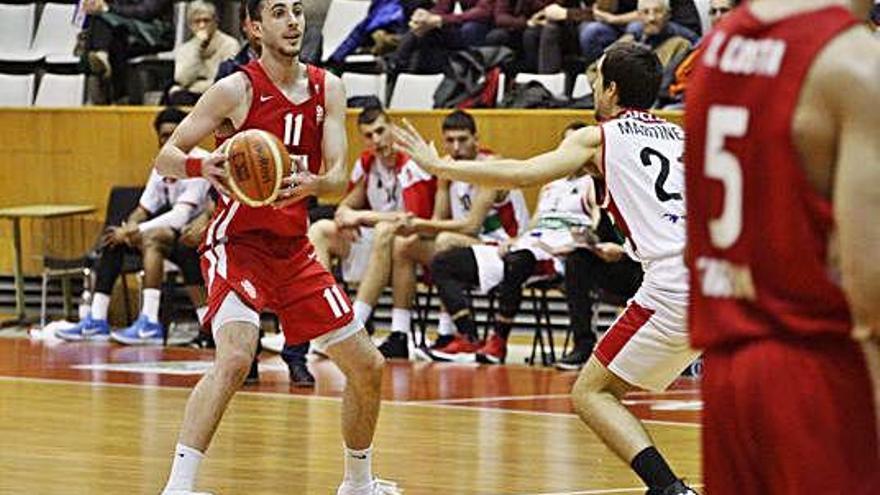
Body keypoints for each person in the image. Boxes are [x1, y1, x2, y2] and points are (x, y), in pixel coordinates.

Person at [395, 42, 698, 495]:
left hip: (672, 285)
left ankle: (670, 490)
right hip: (718, 277)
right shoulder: (681, 135)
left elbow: (522, 174)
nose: (593, 87)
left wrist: (440, 164)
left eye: (597, 79)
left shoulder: (596, 136)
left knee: (590, 393)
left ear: (611, 90)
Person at [153, 0, 399, 493]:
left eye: (297, 11)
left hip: (294, 251)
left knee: (368, 367)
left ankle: (358, 483)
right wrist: (207, 167)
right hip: (238, 243)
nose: (292, 21)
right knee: (236, 356)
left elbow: (334, 176)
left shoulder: (328, 87)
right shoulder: (235, 89)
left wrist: (312, 185)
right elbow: (167, 156)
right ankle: (179, 487)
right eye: (278, 12)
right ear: (253, 26)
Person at [684, 0, 880, 493]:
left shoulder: (719, 44)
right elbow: (872, 295)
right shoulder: (854, 64)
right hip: (817, 373)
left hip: (728, 374)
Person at [356, 110, 529, 359]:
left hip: (507, 249)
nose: (456, 147)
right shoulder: (448, 172)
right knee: (403, 245)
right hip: (472, 249)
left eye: (462, 139)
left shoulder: (491, 167)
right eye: (450, 141)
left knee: (445, 241)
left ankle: (453, 333)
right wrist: (411, 226)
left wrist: (422, 224)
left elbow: (471, 226)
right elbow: (439, 220)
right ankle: (400, 333)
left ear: (476, 139)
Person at [429, 122, 599, 364]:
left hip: (558, 254)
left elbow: (596, 225)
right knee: (443, 263)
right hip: (527, 245)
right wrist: (515, 240)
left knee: (519, 261)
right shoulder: (551, 184)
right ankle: (468, 336)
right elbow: (535, 223)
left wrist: (581, 242)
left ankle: (498, 341)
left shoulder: (594, 183)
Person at [56, 107, 211, 345]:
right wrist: (128, 227)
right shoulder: (162, 164)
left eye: (173, 134)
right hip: (171, 239)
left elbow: (181, 217)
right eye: (163, 136)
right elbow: (143, 209)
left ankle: (149, 321)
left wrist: (136, 230)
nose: (167, 140)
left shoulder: (199, 162)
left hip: (195, 240)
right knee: (113, 239)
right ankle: (96, 319)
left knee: (152, 238)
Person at [308, 105, 428, 286]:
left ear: (392, 128)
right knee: (320, 230)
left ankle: (361, 311)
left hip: (404, 242)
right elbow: (345, 207)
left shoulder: (414, 164)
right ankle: (326, 303)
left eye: (380, 131)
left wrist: (360, 216)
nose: (377, 140)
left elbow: (411, 219)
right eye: (369, 135)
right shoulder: (367, 164)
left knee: (383, 232)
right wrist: (345, 221)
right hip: (373, 237)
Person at [79, 0, 174, 104]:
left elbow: (145, 11)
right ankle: (119, 97)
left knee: (105, 20)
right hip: (126, 32)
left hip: (154, 34)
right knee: (114, 36)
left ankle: (101, 56)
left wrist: (107, 8)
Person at [387, 0, 495, 74]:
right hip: (461, 25)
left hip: (487, 29)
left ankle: (394, 63)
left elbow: (483, 13)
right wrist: (426, 17)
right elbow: (441, 7)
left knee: (470, 28)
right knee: (424, 29)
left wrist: (440, 19)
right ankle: (397, 64)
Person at [167, 0, 240, 105]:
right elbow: (182, 79)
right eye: (197, 21)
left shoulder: (230, 44)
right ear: (190, 25)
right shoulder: (186, 48)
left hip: (217, 94)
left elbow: (228, 79)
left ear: (215, 22)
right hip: (191, 95)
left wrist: (199, 86)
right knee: (173, 94)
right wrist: (197, 47)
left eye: (206, 21)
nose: (202, 25)